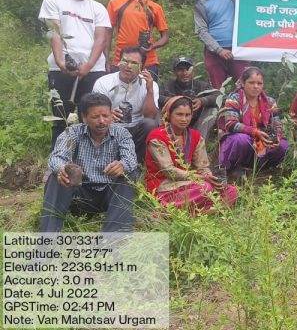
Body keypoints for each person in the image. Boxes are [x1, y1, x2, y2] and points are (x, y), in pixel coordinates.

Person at [39, 0, 111, 149]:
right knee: (61, 115)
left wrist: (88, 65)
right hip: (61, 68)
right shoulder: (53, 0)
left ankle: (87, 158)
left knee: (92, 117)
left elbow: (101, 39)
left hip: (93, 70)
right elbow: (54, 33)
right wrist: (61, 62)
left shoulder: (98, 8)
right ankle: (57, 161)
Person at [39, 92, 138, 232]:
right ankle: (47, 238)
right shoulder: (72, 133)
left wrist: (122, 165)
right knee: (58, 176)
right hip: (79, 195)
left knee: (129, 174)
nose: (102, 121)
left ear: (111, 115)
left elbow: (131, 159)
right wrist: (62, 169)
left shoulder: (122, 133)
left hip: (110, 196)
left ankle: (115, 236)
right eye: (95, 117)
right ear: (84, 118)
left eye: (106, 116)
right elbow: (57, 157)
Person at [145, 96, 237, 213]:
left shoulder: (195, 136)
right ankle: (200, 210)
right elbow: (169, 171)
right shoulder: (157, 137)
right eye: (179, 114)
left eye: (187, 115)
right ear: (169, 114)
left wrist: (209, 177)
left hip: (190, 183)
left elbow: (203, 167)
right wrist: (200, 179)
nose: (184, 119)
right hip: (164, 185)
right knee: (205, 188)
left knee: (231, 190)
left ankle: (195, 211)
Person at [218, 67, 288, 180]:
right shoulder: (234, 98)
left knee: (283, 145)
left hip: (263, 139)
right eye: (251, 82)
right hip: (243, 139)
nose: (256, 86)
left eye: (259, 83)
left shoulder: (270, 101)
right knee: (240, 140)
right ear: (242, 83)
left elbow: (278, 125)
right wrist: (254, 132)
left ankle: (263, 167)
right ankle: (234, 168)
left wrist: (277, 137)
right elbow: (230, 124)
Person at [92, 47, 159, 164]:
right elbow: (94, 112)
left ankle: (137, 164)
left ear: (142, 67)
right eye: (125, 61)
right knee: (98, 122)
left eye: (134, 63)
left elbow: (150, 115)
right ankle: (105, 161)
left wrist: (149, 90)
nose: (128, 66)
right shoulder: (103, 82)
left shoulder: (149, 84)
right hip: (111, 127)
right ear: (119, 62)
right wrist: (108, 114)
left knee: (150, 124)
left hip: (136, 128)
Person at [106, 0, 170, 79]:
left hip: (148, 61)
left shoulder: (154, 7)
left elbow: (165, 37)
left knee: (148, 94)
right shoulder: (115, 3)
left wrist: (153, 46)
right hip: (121, 60)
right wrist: (106, 59)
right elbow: (108, 33)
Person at [194, 0, 250, 89]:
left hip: (238, 50)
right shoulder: (200, 4)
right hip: (214, 54)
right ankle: (219, 110)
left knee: (247, 86)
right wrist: (219, 50)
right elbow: (202, 31)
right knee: (217, 91)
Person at [159, 56, 220, 140]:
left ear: (193, 71)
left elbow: (218, 95)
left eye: (188, 69)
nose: (185, 73)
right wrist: (169, 100)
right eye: (180, 70)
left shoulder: (201, 85)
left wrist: (202, 101)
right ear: (175, 72)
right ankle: (163, 138)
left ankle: (199, 140)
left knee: (212, 110)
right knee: (157, 109)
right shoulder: (167, 86)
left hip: (196, 121)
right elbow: (156, 97)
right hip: (173, 123)